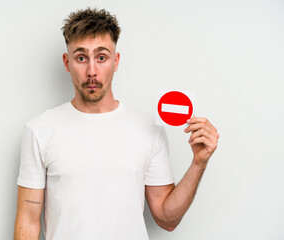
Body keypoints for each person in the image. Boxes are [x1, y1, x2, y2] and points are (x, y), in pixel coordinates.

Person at [14, 8, 219, 240]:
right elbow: (28, 222)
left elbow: (166, 218)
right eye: (81, 58)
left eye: (101, 57)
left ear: (116, 61)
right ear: (66, 62)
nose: (92, 71)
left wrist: (198, 163)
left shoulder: (148, 128)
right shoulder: (40, 130)